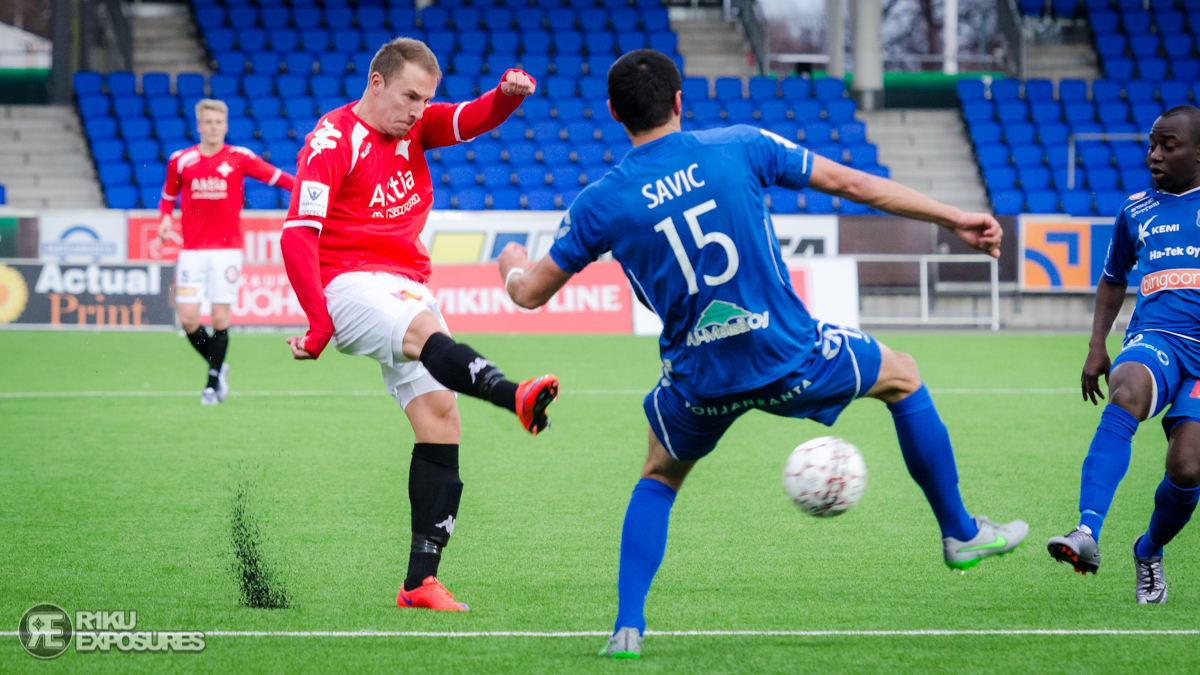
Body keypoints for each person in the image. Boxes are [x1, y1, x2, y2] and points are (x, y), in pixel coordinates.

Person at [497, 50, 1028, 658]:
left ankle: (627, 628)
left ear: (615, 113)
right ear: (678, 101)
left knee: (659, 479)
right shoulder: (739, 145)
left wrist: (512, 267)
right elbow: (853, 184)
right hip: (789, 357)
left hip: (699, 382)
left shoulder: (601, 201)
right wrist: (953, 216)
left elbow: (531, 295)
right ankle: (960, 533)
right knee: (902, 376)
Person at [280, 38, 559, 613]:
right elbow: (297, 234)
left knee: (440, 418)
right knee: (423, 333)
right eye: (409, 95)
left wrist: (505, 98)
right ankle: (515, 397)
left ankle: (419, 583)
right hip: (348, 283)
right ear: (376, 84)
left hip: (404, 280)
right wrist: (317, 323)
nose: (417, 109)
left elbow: (466, 120)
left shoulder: (415, 127)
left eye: (425, 98)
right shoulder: (330, 143)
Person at [1047, 105, 1200, 605]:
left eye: (1168, 146)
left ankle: (1149, 550)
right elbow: (1113, 278)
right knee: (1126, 389)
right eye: (1152, 145)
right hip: (1156, 337)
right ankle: (1086, 533)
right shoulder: (1136, 210)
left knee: (1187, 466)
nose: (1154, 155)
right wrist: (1098, 346)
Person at [158, 98, 296, 405]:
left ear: (226, 125)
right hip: (192, 251)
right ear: (199, 125)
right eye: (207, 122)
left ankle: (212, 383)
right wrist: (165, 219)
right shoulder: (181, 160)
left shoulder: (238, 157)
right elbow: (167, 197)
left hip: (226, 252)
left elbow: (277, 177)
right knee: (188, 319)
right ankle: (218, 363)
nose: (213, 127)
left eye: (218, 122)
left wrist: (308, 188)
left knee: (220, 316)